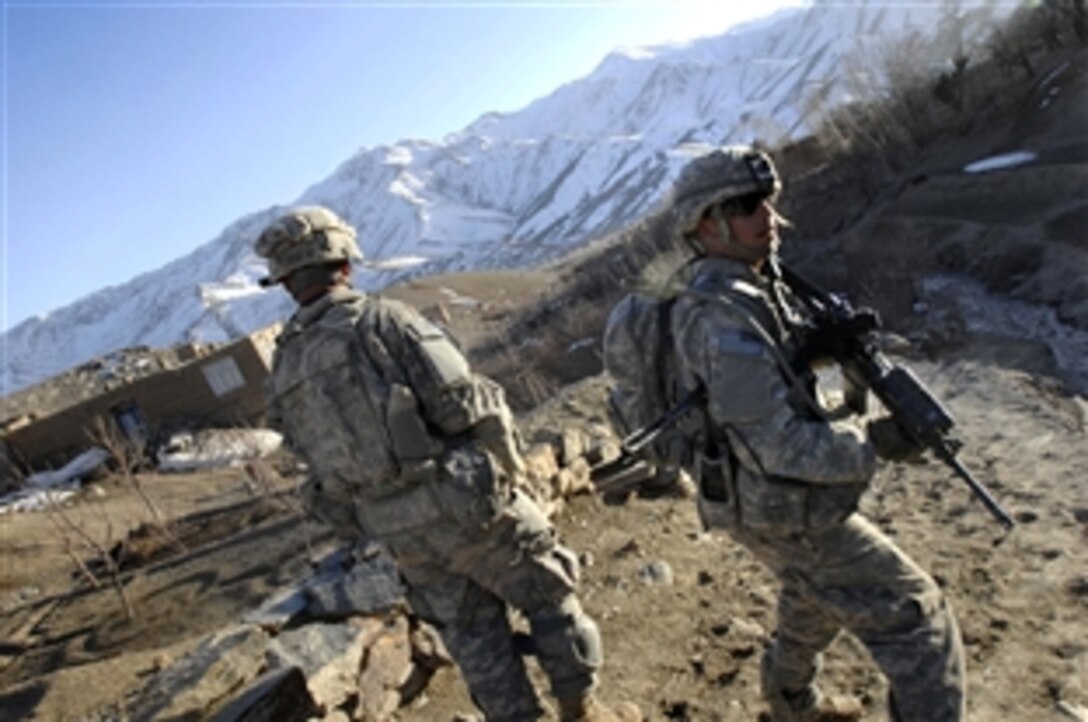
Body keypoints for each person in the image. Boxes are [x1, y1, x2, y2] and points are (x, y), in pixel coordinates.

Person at [255, 206, 640, 722]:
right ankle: (582, 711)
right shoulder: (383, 321)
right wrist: (508, 474)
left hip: (397, 532)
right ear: (344, 261)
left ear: (285, 281)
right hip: (464, 505)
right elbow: (470, 404)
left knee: (473, 637)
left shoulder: (283, 366)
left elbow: (311, 464)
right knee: (550, 595)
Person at [649, 147, 966, 721]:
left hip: (763, 506)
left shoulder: (748, 287)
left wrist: (818, 353)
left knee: (813, 590)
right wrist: (874, 445)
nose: (766, 215)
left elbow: (769, 385)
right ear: (704, 223)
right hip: (782, 504)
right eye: (745, 206)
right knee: (919, 618)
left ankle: (790, 701)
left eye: (768, 201)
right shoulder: (720, 312)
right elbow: (778, 446)